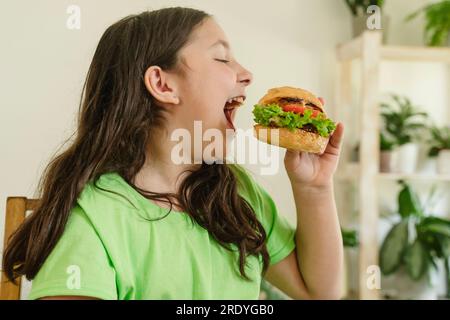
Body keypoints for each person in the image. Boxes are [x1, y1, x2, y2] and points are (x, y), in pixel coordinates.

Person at [3, 7, 344, 300]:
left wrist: (314, 188)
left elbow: (319, 291)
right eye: (222, 58)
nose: (246, 74)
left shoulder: (235, 194)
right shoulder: (95, 218)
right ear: (163, 85)